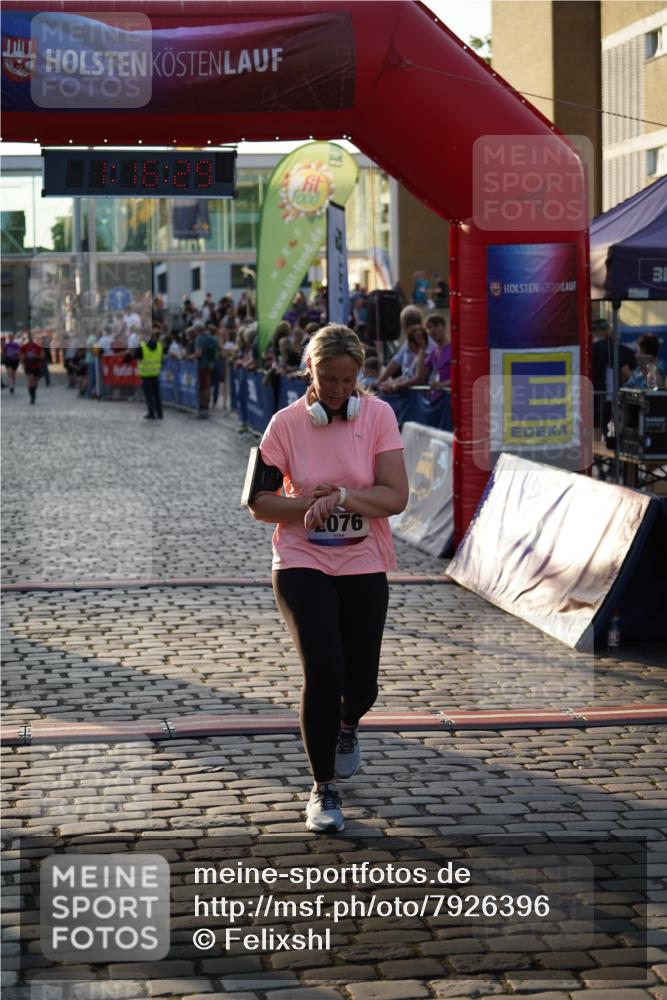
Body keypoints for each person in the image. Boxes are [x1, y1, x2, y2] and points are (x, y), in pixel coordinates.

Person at [249, 324, 408, 833]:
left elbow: (395, 497)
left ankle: (348, 723)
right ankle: (323, 789)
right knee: (324, 668)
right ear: (309, 373)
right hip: (301, 560)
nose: (338, 389)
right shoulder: (285, 424)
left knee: (360, 685)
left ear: (360, 375)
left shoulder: (379, 415)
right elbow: (259, 504)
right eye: (328, 378)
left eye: (347, 379)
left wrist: (342, 497)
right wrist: (305, 505)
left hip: (363, 561)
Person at [128, 326, 164, 420]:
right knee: (157, 395)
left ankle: (151, 413)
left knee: (148, 396)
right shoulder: (159, 346)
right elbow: (161, 359)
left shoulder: (142, 346)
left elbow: (134, 356)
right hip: (155, 374)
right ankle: (160, 413)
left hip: (146, 375)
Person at [193, 322, 220, 418]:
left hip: (202, 365)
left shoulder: (199, 338)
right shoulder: (210, 337)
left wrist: (190, 357)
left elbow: (198, 353)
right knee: (207, 385)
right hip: (210, 364)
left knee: (203, 387)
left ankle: (203, 408)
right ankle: (206, 406)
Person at [19, 332, 45, 405]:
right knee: (31, 380)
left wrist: (35, 356)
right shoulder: (24, 347)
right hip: (28, 366)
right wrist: (23, 363)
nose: (30, 340)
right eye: (29, 338)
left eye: (31, 338)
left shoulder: (38, 347)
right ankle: (32, 397)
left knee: (35, 382)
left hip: (37, 366)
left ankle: (33, 392)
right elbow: (21, 356)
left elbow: (42, 356)